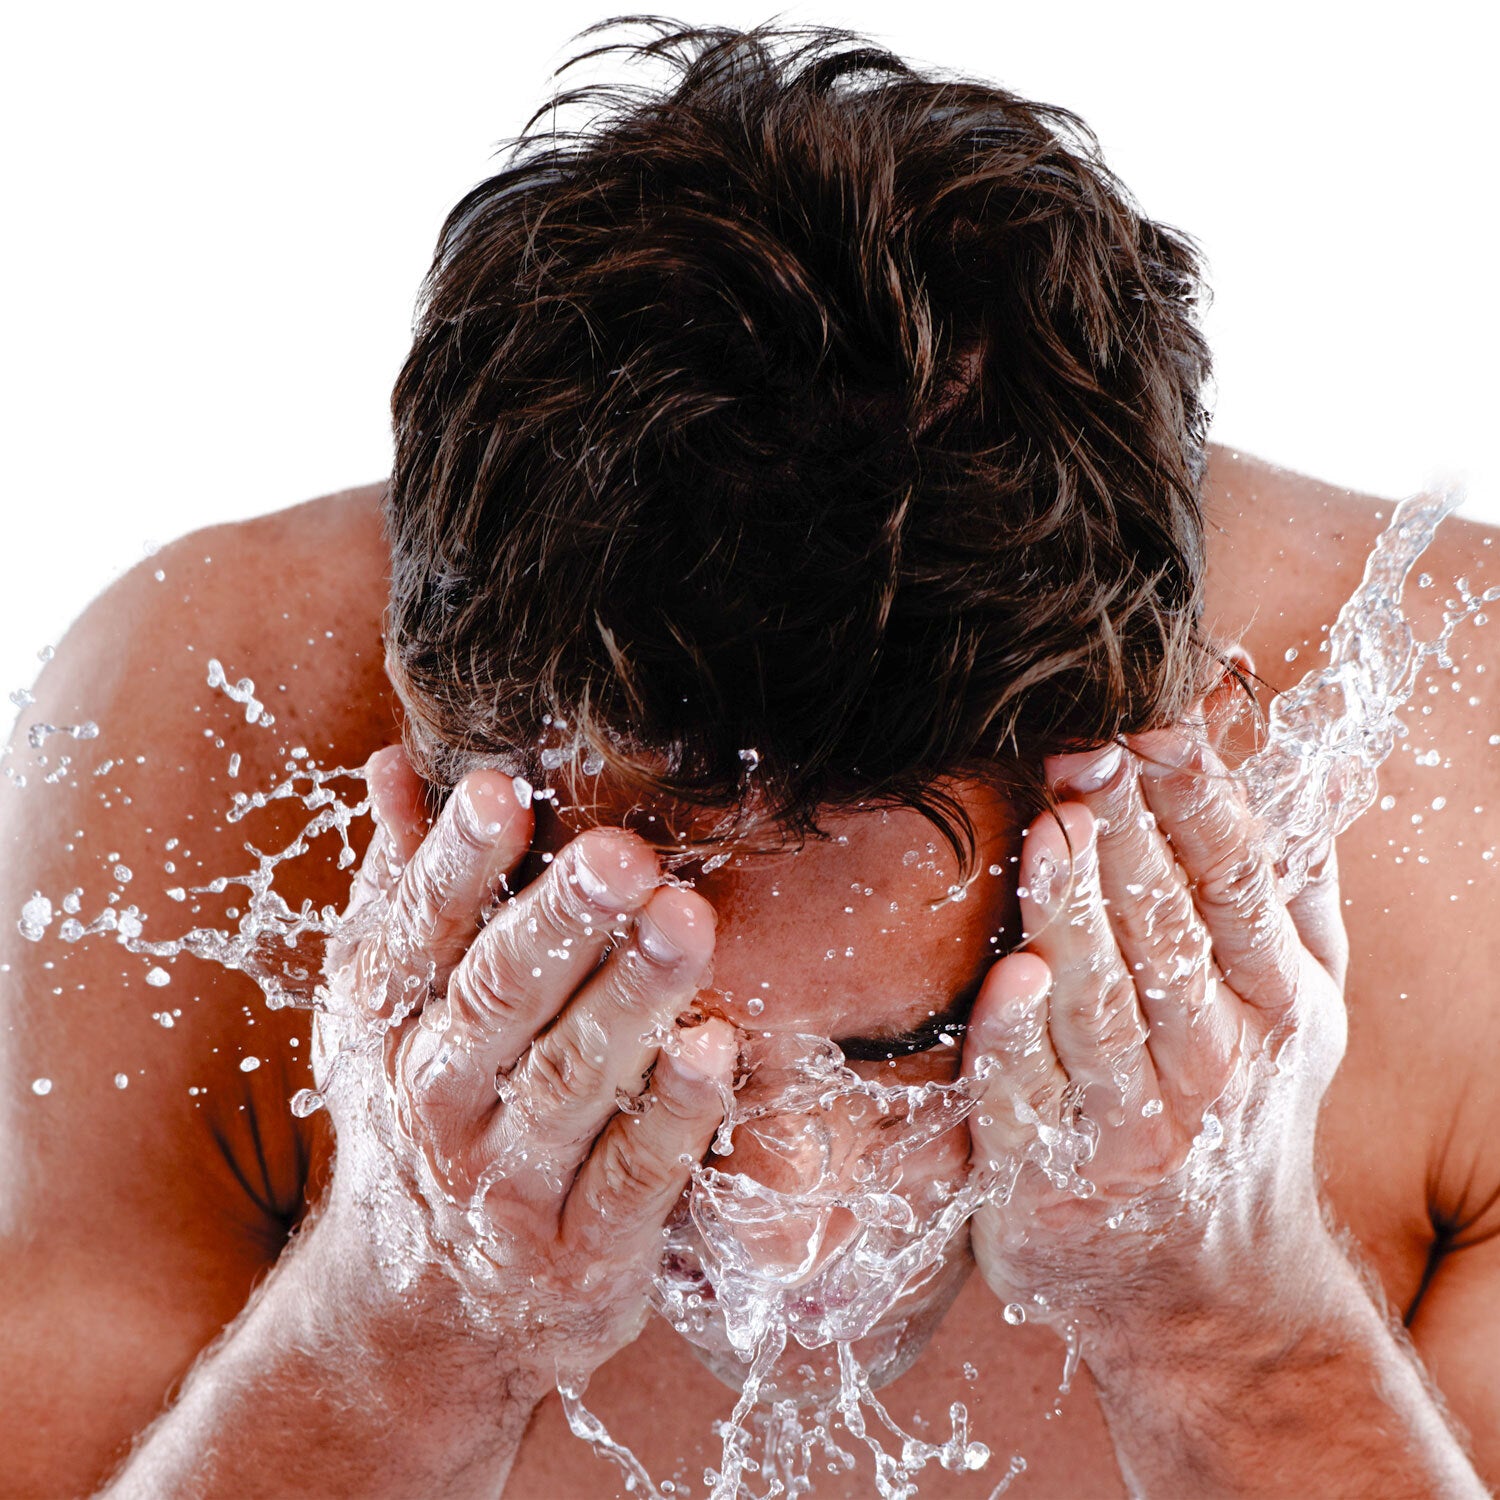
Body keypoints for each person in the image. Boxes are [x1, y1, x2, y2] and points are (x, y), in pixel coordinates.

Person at [2, 21, 1495, 1498]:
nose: (792, 1231)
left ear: (1196, 767)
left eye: (911, 1055)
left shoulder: (1473, 807)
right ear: (424, 777)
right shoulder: (197, 750)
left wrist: (1231, 1324)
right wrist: (402, 1328)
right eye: (636, 1049)